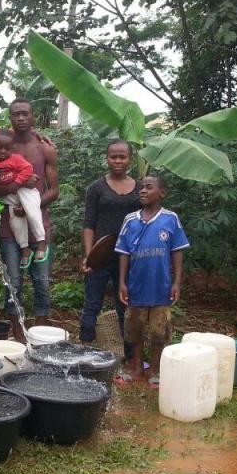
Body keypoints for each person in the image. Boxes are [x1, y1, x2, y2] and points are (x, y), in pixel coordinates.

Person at [0, 98, 59, 342]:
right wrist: (12, 185)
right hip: (10, 227)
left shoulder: (44, 148)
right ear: (10, 117)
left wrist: (30, 207)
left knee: (42, 283)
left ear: (33, 116)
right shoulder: (2, 149)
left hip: (39, 225)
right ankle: (17, 336)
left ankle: (40, 338)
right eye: (15, 114)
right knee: (13, 282)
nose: (20, 118)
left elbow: (54, 190)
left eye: (25, 114)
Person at [116, 176, 188, 386]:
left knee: (159, 331)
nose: (143, 191)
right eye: (141, 188)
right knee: (134, 329)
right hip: (136, 287)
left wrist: (176, 282)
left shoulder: (170, 219)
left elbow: (177, 252)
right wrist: (122, 281)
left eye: (149, 187)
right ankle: (136, 368)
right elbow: (123, 253)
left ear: (162, 193)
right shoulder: (130, 220)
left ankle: (155, 370)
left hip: (161, 287)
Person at [79, 139, 141, 348]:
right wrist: (90, 255)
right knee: (92, 303)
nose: (117, 161)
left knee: (126, 304)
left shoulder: (141, 188)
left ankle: (131, 355)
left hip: (130, 256)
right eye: (113, 156)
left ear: (130, 159)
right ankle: (85, 348)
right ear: (106, 158)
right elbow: (89, 224)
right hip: (102, 254)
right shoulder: (96, 188)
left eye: (122, 157)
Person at [0, 129, 47, 268]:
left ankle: (41, 243)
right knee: (16, 223)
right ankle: (25, 249)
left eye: (7, 148)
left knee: (33, 214)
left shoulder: (15, 158)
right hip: (10, 196)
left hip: (25, 191)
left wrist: (17, 183)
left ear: (12, 148)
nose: (3, 151)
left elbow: (27, 169)